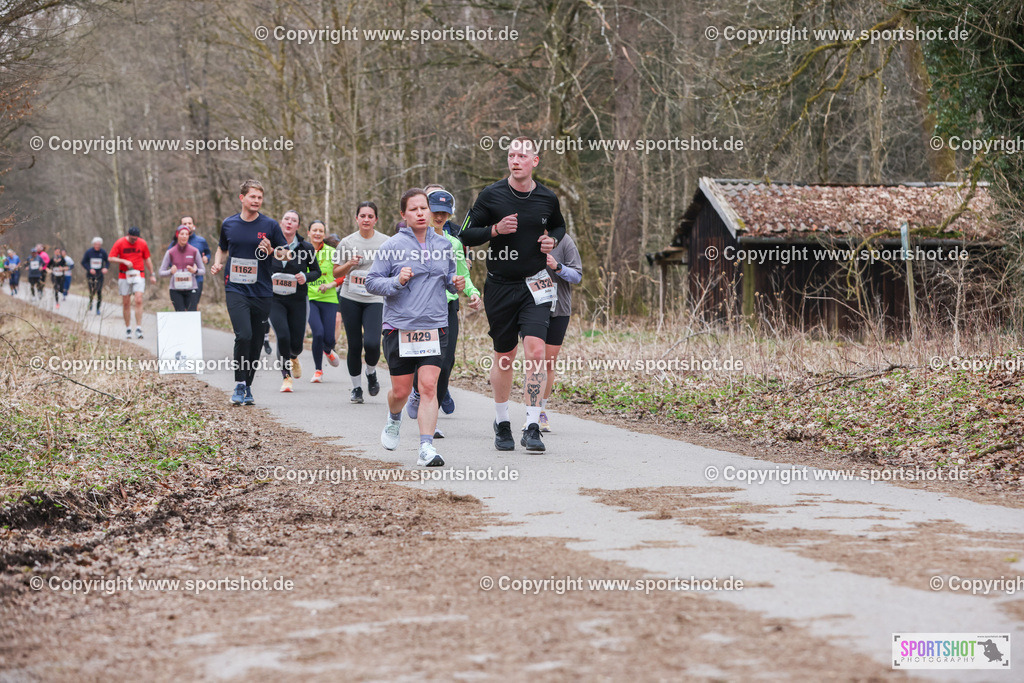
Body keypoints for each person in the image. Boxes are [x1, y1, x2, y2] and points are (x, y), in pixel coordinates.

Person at [460, 137, 566, 452]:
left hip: (536, 284)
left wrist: (552, 242)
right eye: (510, 155)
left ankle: (532, 424)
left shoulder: (548, 198)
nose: (515, 160)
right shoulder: (490, 195)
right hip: (500, 286)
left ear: (535, 161)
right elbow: (465, 233)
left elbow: (558, 227)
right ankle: (502, 421)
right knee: (505, 358)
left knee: (536, 353)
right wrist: (494, 230)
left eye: (522, 155)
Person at [365, 188, 464, 467]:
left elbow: (447, 279)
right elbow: (371, 282)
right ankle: (394, 419)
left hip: (435, 324)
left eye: (424, 208)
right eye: (414, 209)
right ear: (403, 214)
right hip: (400, 326)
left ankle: (426, 448)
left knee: (429, 386)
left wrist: (454, 283)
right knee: (401, 392)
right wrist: (397, 280)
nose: (421, 213)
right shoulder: (391, 246)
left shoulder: (445, 245)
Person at [406, 188, 483, 434]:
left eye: (444, 214)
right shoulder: (410, 240)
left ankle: (432, 412)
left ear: (449, 215)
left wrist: (472, 292)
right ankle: (418, 396)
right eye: (435, 212)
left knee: (445, 362)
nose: (439, 217)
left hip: (447, 305)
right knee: (424, 361)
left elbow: (463, 274)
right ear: (426, 211)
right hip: (421, 307)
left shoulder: (454, 243)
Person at [210, 179, 288, 406]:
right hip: (235, 288)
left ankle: (249, 386)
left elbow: (287, 255)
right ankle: (239, 384)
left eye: (260, 197)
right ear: (242, 198)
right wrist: (217, 263)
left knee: (254, 342)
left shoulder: (271, 225)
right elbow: (222, 248)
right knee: (243, 335)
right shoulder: (229, 224)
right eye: (252, 197)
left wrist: (273, 250)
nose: (256, 201)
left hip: (262, 291)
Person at [318, 201, 388, 403]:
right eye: (362, 216)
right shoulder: (347, 243)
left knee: (373, 343)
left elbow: (393, 268)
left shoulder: (386, 242)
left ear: (376, 219)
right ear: (356, 218)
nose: (366, 219)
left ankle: (371, 372)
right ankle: (356, 388)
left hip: (375, 298)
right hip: (351, 298)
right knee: (355, 344)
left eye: (370, 216)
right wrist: (349, 263)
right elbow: (335, 272)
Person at [528, 232, 582, 432]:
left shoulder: (565, 240)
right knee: (535, 361)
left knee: (548, 363)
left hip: (559, 309)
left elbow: (577, 276)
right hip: (531, 307)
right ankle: (531, 413)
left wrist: (557, 267)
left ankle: (541, 410)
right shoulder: (526, 235)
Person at [269, 210, 320, 393]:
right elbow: (259, 267)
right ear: (280, 223)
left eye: (294, 220)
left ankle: (294, 356)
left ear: (298, 226)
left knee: (297, 343)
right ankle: (286, 377)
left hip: (298, 299)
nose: (289, 223)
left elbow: (317, 272)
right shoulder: (270, 245)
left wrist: (305, 276)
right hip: (275, 300)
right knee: (282, 336)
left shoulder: (306, 248)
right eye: (286, 219)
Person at [305, 220, 343, 383]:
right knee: (318, 333)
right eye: (315, 230)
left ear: (324, 233)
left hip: (329, 298)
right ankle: (318, 370)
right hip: (310, 298)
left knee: (329, 338)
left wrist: (331, 284)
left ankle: (328, 350)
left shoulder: (332, 252)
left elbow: (342, 275)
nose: (318, 233)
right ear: (309, 232)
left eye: (321, 230)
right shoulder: (303, 251)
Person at [108, 226, 157, 339]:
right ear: (128, 235)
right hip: (124, 275)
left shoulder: (142, 243)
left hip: (139, 274)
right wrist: (123, 261)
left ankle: (139, 328)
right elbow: (111, 258)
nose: (134, 241)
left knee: (138, 300)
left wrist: (152, 274)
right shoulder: (120, 242)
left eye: (135, 239)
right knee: (126, 302)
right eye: (132, 239)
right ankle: (128, 328)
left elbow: (147, 259)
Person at [167, 216, 212, 310]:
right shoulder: (174, 243)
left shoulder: (201, 241)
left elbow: (208, 253)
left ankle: (192, 322)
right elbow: (169, 260)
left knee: (193, 306)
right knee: (181, 308)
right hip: (180, 279)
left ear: (193, 225)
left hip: (197, 278)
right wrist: (174, 267)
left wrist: (206, 258)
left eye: (189, 223)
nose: (187, 225)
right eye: (184, 224)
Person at [159, 225, 205, 311]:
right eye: (182, 234)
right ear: (177, 235)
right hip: (175, 290)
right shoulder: (170, 252)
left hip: (191, 288)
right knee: (180, 314)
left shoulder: (194, 251)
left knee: (191, 315)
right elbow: (161, 272)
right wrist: (170, 272)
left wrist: (195, 271)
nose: (184, 236)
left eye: (186, 234)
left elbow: (202, 271)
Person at [81, 237, 109, 315]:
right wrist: (89, 269)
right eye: (96, 244)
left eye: (99, 244)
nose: (97, 246)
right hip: (90, 275)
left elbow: (107, 262)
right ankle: (90, 302)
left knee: (99, 291)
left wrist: (105, 268)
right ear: (93, 244)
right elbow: (83, 262)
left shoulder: (103, 252)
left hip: (100, 275)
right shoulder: (89, 252)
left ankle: (98, 308)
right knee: (92, 291)